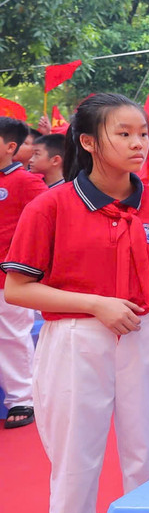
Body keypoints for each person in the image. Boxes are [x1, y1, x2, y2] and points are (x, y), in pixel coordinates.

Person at [4, 93, 149, 513]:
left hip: (146, 334)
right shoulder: (51, 205)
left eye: (143, 133)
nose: (139, 143)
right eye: (124, 133)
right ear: (90, 142)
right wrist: (96, 304)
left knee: (147, 457)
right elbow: (18, 288)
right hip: (76, 340)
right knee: (76, 464)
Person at [0, 116, 48, 429]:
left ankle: (22, 398)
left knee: (11, 336)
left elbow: (47, 221)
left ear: (10, 147)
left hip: (9, 277)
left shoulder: (26, 182)